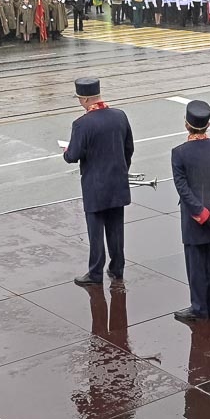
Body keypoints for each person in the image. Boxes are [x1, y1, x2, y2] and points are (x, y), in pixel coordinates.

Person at [63, 77, 134, 286]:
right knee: (116, 229)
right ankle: (117, 267)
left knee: (95, 232)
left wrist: (66, 152)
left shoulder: (82, 124)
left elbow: (73, 155)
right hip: (117, 182)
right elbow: (129, 148)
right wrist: (121, 170)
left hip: (95, 185)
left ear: (84, 99)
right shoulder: (120, 116)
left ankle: (95, 273)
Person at [171, 101, 210, 321]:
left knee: (196, 265)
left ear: (186, 125)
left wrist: (202, 214)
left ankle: (199, 308)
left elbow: (183, 189)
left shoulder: (179, 153)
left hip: (194, 219)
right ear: (208, 124)